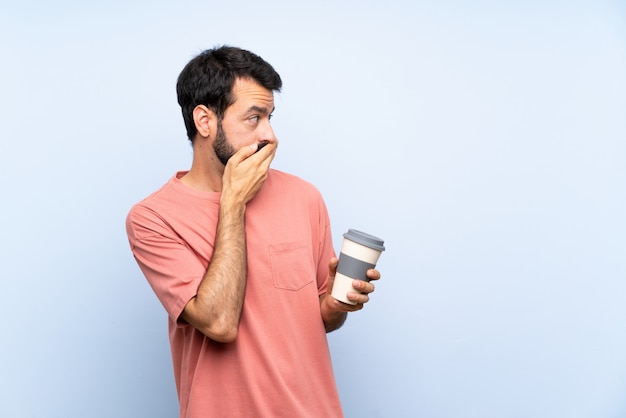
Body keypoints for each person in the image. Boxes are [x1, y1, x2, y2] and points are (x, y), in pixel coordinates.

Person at [125, 45, 381, 417]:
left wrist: (336, 305)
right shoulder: (153, 219)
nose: (270, 135)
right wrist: (233, 204)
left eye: (270, 117)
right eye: (253, 118)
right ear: (205, 121)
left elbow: (315, 321)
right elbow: (219, 323)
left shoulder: (304, 198)